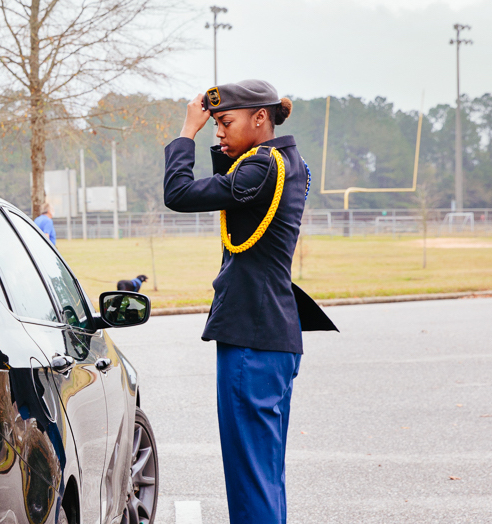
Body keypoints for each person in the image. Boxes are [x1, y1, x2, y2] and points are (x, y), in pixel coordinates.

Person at [161, 79, 337, 524]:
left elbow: (179, 194)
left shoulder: (260, 167)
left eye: (225, 122)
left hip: (252, 340)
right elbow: (233, 183)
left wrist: (187, 132)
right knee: (265, 474)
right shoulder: (286, 161)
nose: (218, 132)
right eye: (214, 125)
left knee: (250, 478)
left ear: (260, 117)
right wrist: (227, 141)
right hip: (273, 335)